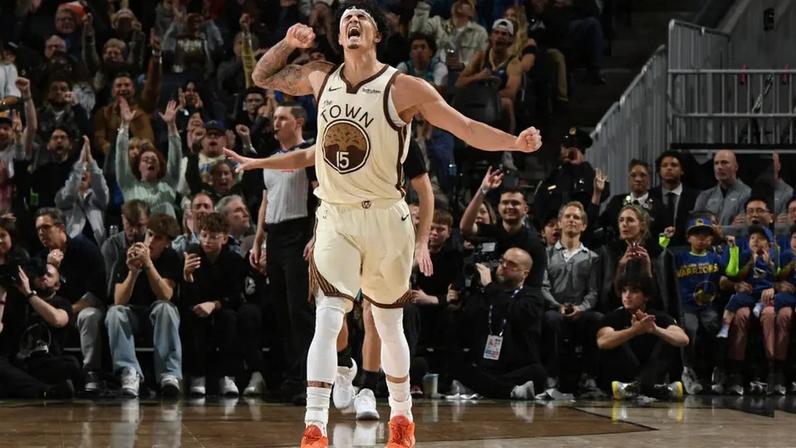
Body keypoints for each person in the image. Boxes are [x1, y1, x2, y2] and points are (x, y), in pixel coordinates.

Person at [242, 2, 541, 445]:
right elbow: (262, 77)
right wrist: (288, 42)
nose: (353, 20)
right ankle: (314, 425)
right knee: (326, 317)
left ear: (376, 35)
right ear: (340, 37)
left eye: (361, 17)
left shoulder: (403, 87)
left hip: (386, 216)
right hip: (335, 216)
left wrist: (514, 142)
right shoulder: (319, 78)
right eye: (346, 19)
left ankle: (401, 416)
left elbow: (465, 128)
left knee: (387, 323)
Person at [448, 248, 546, 399]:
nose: (503, 266)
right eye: (502, 261)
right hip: (486, 365)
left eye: (511, 264)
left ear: (525, 273)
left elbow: (517, 314)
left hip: (517, 366)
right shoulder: (485, 294)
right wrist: (456, 305)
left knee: (538, 373)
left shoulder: (533, 297)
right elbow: (466, 326)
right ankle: (511, 391)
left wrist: (490, 287)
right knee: (456, 366)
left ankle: (484, 388)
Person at [105, 213, 182, 398]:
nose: (151, 241)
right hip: (132, 314)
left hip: (157, 316)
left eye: (158, 238)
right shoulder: (127, 254)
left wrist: (148, 265)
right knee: (115, 313)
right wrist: (132, 273)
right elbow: (119, 300)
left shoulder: (171, 257)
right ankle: (129, 371)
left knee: (166, 308)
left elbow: (166, 294)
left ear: (168, 242)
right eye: (149, 234)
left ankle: (169, 374)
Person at [34, 208, 106, 393]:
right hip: (57, 313)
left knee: (89, 317)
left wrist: (68, 311)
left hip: (84, 308)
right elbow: (39, 296)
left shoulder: (85, 249)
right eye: (38, 229)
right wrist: (52, 268)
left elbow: (97, 293)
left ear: (61, 228)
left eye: (46, 227)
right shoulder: (41, 259)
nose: (41, 233)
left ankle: (92, 372)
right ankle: (55, 375)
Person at [180, 212, 248, 397]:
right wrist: (187, 275)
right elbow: (186, 297)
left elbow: (235, 296)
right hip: (198, 306)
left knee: (230, 320)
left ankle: (228, 376)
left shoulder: (233, 261)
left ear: (224, 238)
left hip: (223, 308)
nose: (207, 240)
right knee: (192, 317)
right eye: (204, 235)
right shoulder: (193, 255)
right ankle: (197, 376)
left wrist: (214, 304)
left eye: (213, 236)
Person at [541, 201, 602, 396]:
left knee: (597, 319)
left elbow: (593, 292)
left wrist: (581, 308)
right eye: (567, 216)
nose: (572, 220)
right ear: (559, 222)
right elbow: (543, 286)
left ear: (583, 225)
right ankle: (552, 377)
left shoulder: (593, 257)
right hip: (554, 309)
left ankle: (590, 377)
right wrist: (557, 305)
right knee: (550, 319)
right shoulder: (546, 254)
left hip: (580, 311)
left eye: (576, 217)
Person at [597, 273, 689, 401]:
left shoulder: (658, 316)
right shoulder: (613, 317)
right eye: (624, 291)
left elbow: (683, 339)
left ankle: (636, 387)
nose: (627, 296)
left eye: (634, 291)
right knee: (616, 338)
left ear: (646, 296)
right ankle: (656, 390)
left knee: (668, 339)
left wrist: (656, 330)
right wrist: (633, 331)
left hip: (651, 371)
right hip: (624, 372)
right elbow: (602, 342)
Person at [460, 168, 547, 287]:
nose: (510, 206)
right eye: (505, 203)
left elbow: (534, 287)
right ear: (499, 207)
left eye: (515, 203)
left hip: (513, 301)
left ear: (525, 209)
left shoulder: (534, 244)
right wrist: (483, 190)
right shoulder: (489, 231)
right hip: (483, 299)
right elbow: (465, 227)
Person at [671, 215, 724, 395]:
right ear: (688, 238)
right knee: (690, 330)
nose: (701, 239)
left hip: (709, 305)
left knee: (716, 329)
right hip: (687, 306)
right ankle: (687, 370)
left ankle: (717, 371)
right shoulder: (680, 257)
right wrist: (665, 238)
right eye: (696, 235)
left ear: (712, 237)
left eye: (705, 235)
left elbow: (729, 273)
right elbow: (662, 254)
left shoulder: (716, 258)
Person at [717, 225, 775, 339]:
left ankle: (760, 305)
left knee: (772, 299)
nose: (756, 240)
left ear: (769, 245)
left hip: (765, 295)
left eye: (761, 238)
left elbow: (779, 278)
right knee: (734, 300)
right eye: (752, 238)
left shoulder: (773, 259)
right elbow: (736, 276)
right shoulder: (744, 256)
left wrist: (769, 264)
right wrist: (750, 262)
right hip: (749, 292)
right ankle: (725, 328)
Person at [54, 136, 109, 245]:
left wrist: (90, 160)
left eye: (87, 170)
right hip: (73, 245)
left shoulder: (97, 197)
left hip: (97, 246)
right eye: (80, 171)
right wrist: (80, 163)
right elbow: (69, 195)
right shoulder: (62, 195)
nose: (83, 173)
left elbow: (102, 190)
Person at [649, 150, 699, 246]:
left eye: (674, 165)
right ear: (659, 171)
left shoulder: (695, 196)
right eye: (664, 165)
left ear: (682, 170)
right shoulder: (650, 196)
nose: (669, 168)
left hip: (686, 249)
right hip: (656, 250)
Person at [693, 150, 751, 228]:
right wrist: (729, 227)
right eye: (716, 163)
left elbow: (740, 229)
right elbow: (696, 226)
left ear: (736, 167)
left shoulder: (747, 194)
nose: (719, 167)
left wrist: (710, 227)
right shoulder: (705, 195)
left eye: (724, 162)